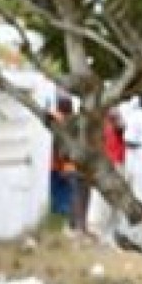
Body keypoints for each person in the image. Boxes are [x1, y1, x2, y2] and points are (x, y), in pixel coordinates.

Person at [89, 109, 130, 242]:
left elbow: (122, 126)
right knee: (108, 201)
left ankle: (113, 231)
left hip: (114, 165)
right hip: (110, 166)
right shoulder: (103, 125)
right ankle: (107, 232)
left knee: (115, 201)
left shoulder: (112, 126)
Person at [48, 96, 78, 225]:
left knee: (62, 197)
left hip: (63, 166)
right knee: (64, 197)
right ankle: (64, 223)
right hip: (63, 166)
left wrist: (66, 168)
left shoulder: (64, 123)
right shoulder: (71, 122)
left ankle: (66, 222)